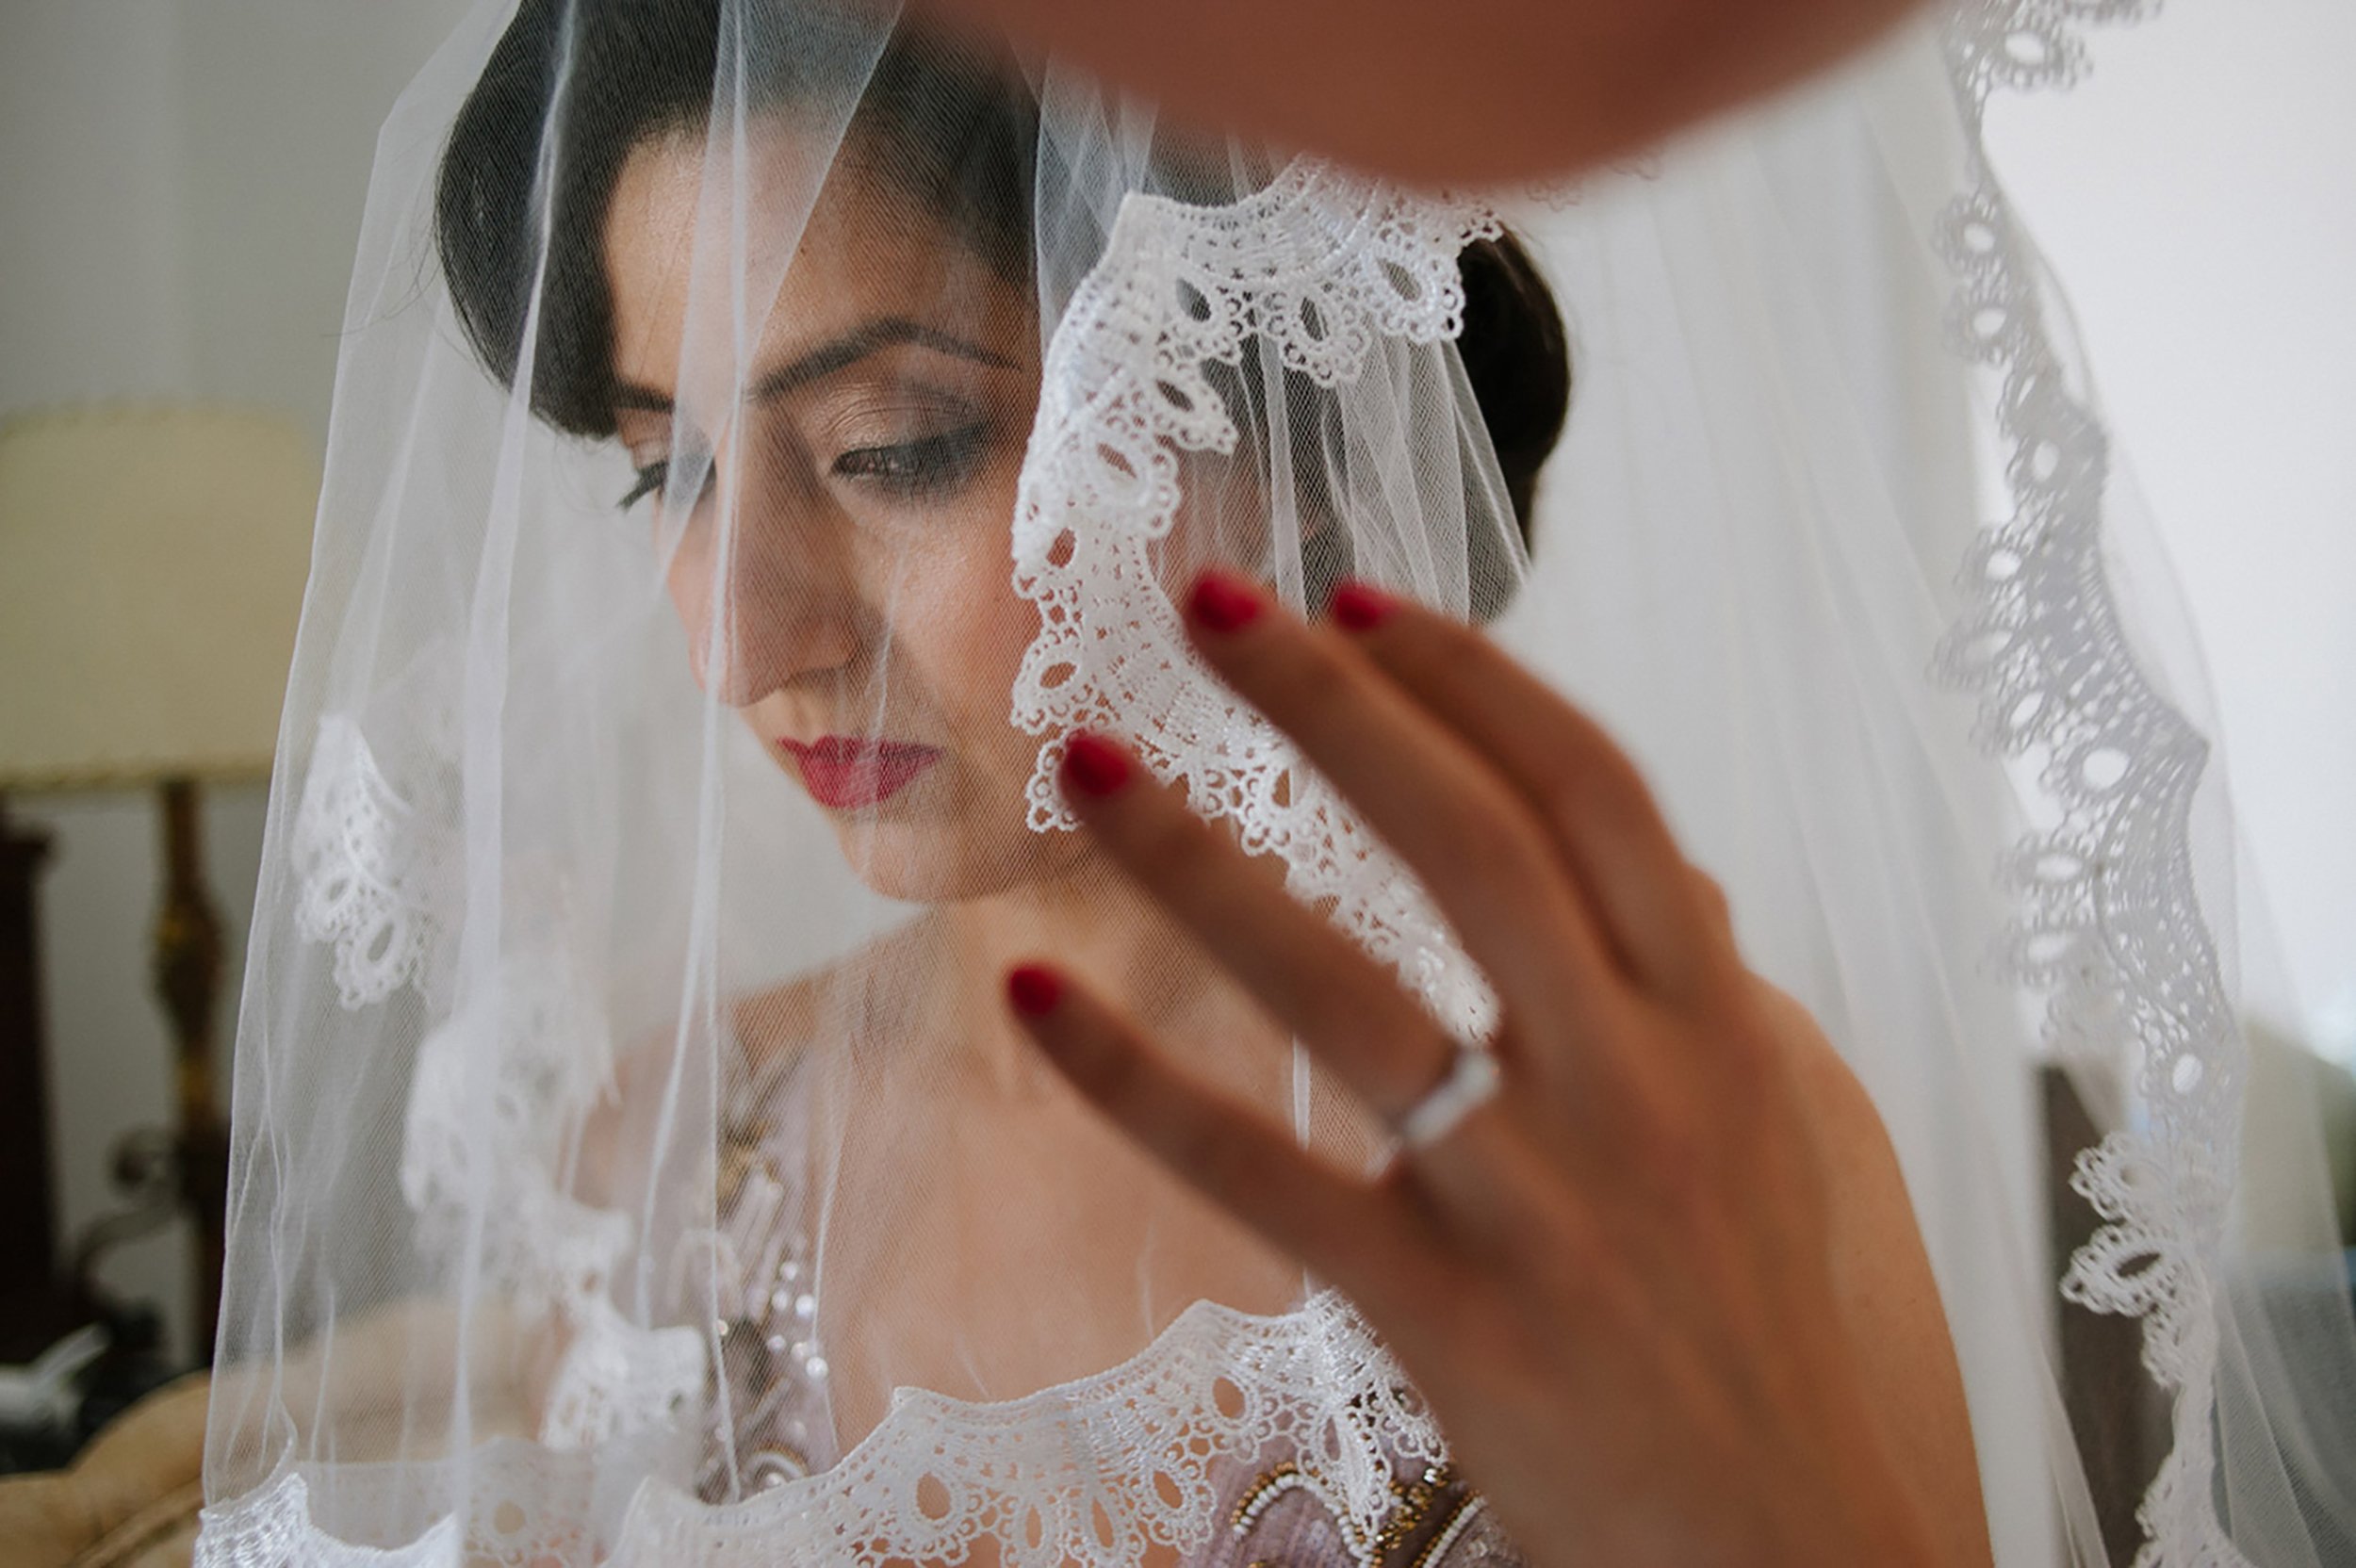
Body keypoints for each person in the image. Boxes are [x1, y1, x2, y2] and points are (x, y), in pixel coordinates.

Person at [195, 3, 2356, 1566]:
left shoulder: (1689, 1157)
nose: (739, 634)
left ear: (1276, 402)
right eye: (663, 468)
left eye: (893, 447)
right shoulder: (671, 1168)